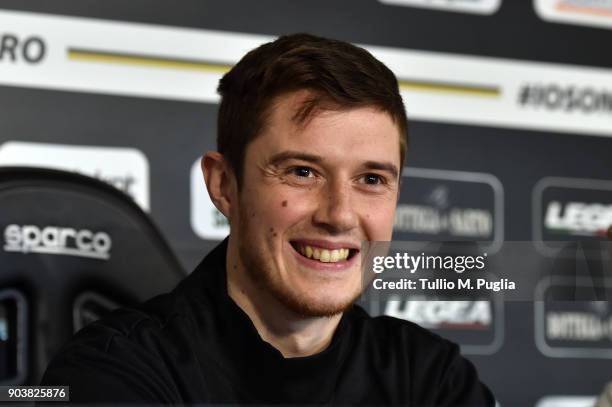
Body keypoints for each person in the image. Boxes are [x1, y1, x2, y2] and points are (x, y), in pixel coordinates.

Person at [41, 33, 495, 405]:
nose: (338, 214)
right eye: (302, 172)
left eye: (371, 179)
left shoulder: (431, 377)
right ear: (224, 185)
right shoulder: (113, 373)